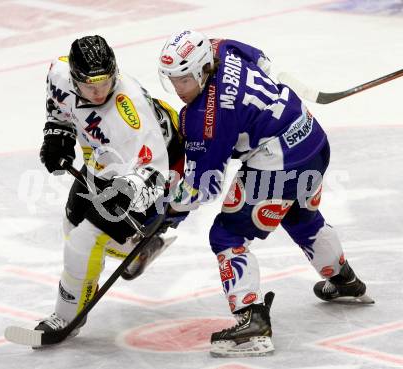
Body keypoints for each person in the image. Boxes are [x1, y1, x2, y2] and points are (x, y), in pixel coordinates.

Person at [158, 30, 373, 357]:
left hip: (280, 164)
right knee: (301, 217)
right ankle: (345, 281)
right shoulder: (222, 47)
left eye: (184, 79)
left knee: (226, 235)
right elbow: (263, 61)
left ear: (203, 68)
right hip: (312, 139)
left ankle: (251, 322)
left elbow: (205, 187)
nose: (178, 88)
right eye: (172, 79)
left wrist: (169, 211)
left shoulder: (202, 116)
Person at [37, 35, 185, 337]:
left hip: (161, 164)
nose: (99, 91)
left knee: (84, 242)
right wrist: (57, 133)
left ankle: (66, 317)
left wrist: (129, 191)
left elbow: (154, 172)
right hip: (105, 160)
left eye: (105, 82)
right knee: (72, 223)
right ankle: (134, 247)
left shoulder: (128, 113)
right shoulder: (60, 73)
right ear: (75, 78)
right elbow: (58, 105)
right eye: (90, 85)